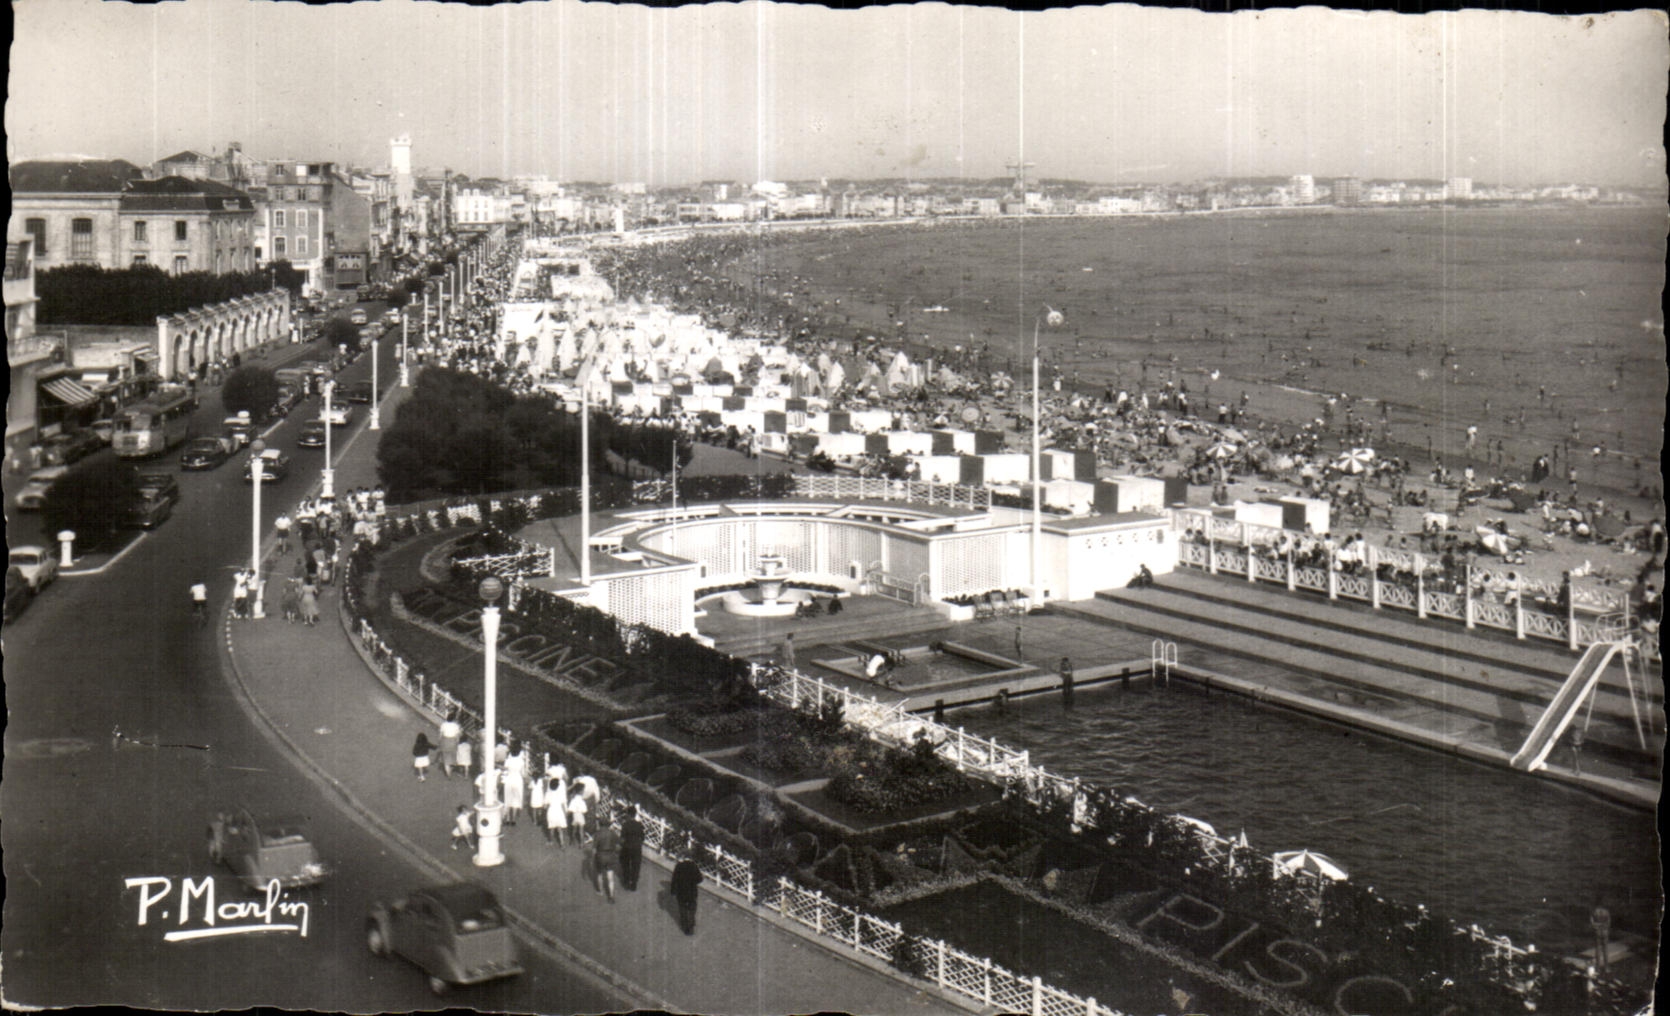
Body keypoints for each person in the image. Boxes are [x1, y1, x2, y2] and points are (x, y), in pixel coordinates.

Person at [671, 845, 705, 936]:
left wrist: (673, 890)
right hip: (692, 891)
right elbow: (700, 879)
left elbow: (674, 879)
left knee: (682, 908)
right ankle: (691, 923)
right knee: (692, 907)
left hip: (681, 891)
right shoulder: (694, 866)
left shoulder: (679, 866)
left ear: (682, 856)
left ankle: (685, 925)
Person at [592, 821, 622, 902]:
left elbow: (594, 848)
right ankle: (611, 896)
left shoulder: (597, 834)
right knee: (610, 876)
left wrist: (593, 858)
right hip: (610, 855)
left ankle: (600, 891)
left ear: (601, 825)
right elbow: (619, 843)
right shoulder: (612, 833)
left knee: (599, 874)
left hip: (600, 855)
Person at [619, 808, 646, 891]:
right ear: (635, 814)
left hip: (627, 847)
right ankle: (634, 883)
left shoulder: (625, 825)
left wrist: (621, 845)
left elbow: (622, 838)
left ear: (628, 814)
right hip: (637, 848)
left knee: (626, 864)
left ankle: (626, 881)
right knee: (636, 865)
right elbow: (642, 838)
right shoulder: (639, 825)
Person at [438, 715, 462, 779]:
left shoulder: (443, 725)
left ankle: (448, 773)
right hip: (453, 741)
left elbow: (441, 735)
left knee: (445, 758)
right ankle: (450, 769)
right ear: (453, 719)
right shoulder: (456, 726)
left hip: (445, 741)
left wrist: (440, 742)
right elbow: (457, 736)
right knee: (452, 757)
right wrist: (457, 743)